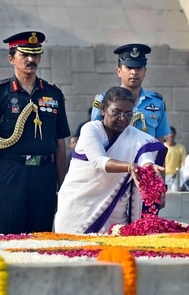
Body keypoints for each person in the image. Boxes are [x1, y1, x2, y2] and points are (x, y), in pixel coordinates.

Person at [0, 31, 70, 234]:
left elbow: (60, 145)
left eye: (35, 55)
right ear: (11, 59)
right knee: (9, 237)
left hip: (45, 174)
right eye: (24, 54)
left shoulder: (53, 94)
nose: (30, 59)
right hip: (10, 173)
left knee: (42, 239)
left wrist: (64, 189)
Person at [54, 87, 166, 234]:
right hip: (80, 208)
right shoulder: (90, 129)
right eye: (116, 112)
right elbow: (99, 161)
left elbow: (146, 158)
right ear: (103, 110)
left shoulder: (134, 135)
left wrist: (151, 174)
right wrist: (130, 167)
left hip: (115, 213)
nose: (122, 118)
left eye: (128, 114)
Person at [91, 43, 171, 141]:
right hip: (114, 155)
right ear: (119, 71)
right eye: (129, 67)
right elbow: (94, 135)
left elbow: (159, 139)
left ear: (145, 71)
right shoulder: (104, 100)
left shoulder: (157, 102)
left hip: (146, 155)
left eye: (139, 67)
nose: (134, 72)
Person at [164, 126, 186, 192]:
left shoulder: (181, 148)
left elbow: (183, 163)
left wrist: (178, 173)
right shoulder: (162, 146)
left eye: (172, 134)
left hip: (175, 176)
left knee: (174, 193)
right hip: (163, 176)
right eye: (169, 133)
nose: (171, 135)